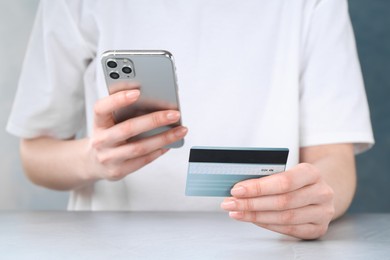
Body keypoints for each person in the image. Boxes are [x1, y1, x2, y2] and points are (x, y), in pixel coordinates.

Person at [7, 0, 374, 240]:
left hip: (269, 244)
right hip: (113, 244)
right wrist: (91, 158)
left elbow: (333, 158)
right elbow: (35, 155)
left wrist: (315, 200)